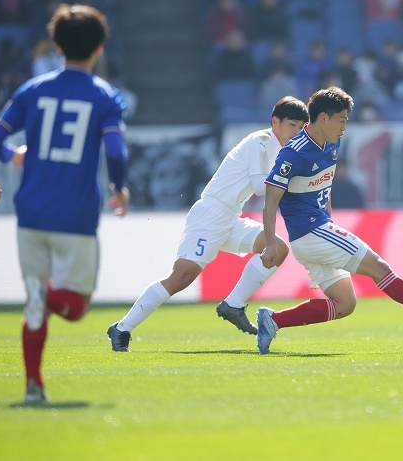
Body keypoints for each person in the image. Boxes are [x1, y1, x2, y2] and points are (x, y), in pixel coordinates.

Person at [254, 87, 403, 354]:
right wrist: (270, 244)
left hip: (319, 229)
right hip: (310, 232)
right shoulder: (294, 152)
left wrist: (330, 220)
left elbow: (324, 186)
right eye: (342, 120)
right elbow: (270, 201)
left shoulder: (331, 142)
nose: (345, 127)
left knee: (345, 303)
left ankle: (273, 321)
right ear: (323, 118)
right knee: (379, 268)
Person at [0, 4, 130, 404]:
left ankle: (34, 385)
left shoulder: (33, 89)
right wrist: (120, 186)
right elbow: (115, 149)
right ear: (99, 48)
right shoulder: (104, 96)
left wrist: (15, 154)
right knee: (77, 307)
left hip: (30, 210)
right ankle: (41, 298)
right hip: (76, 213)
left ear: (56, 45)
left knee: (36, 305)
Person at [107, 97, 310, 352]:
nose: (296, 132)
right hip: (210, 215)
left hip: (230, 218)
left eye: (301, 127)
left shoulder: (279, 149)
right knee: (181, 277)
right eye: (292, 125)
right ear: (275, 122)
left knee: (278, 249)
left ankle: (233, 304)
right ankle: (122, 328)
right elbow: (261, 188)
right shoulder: (261, 142)